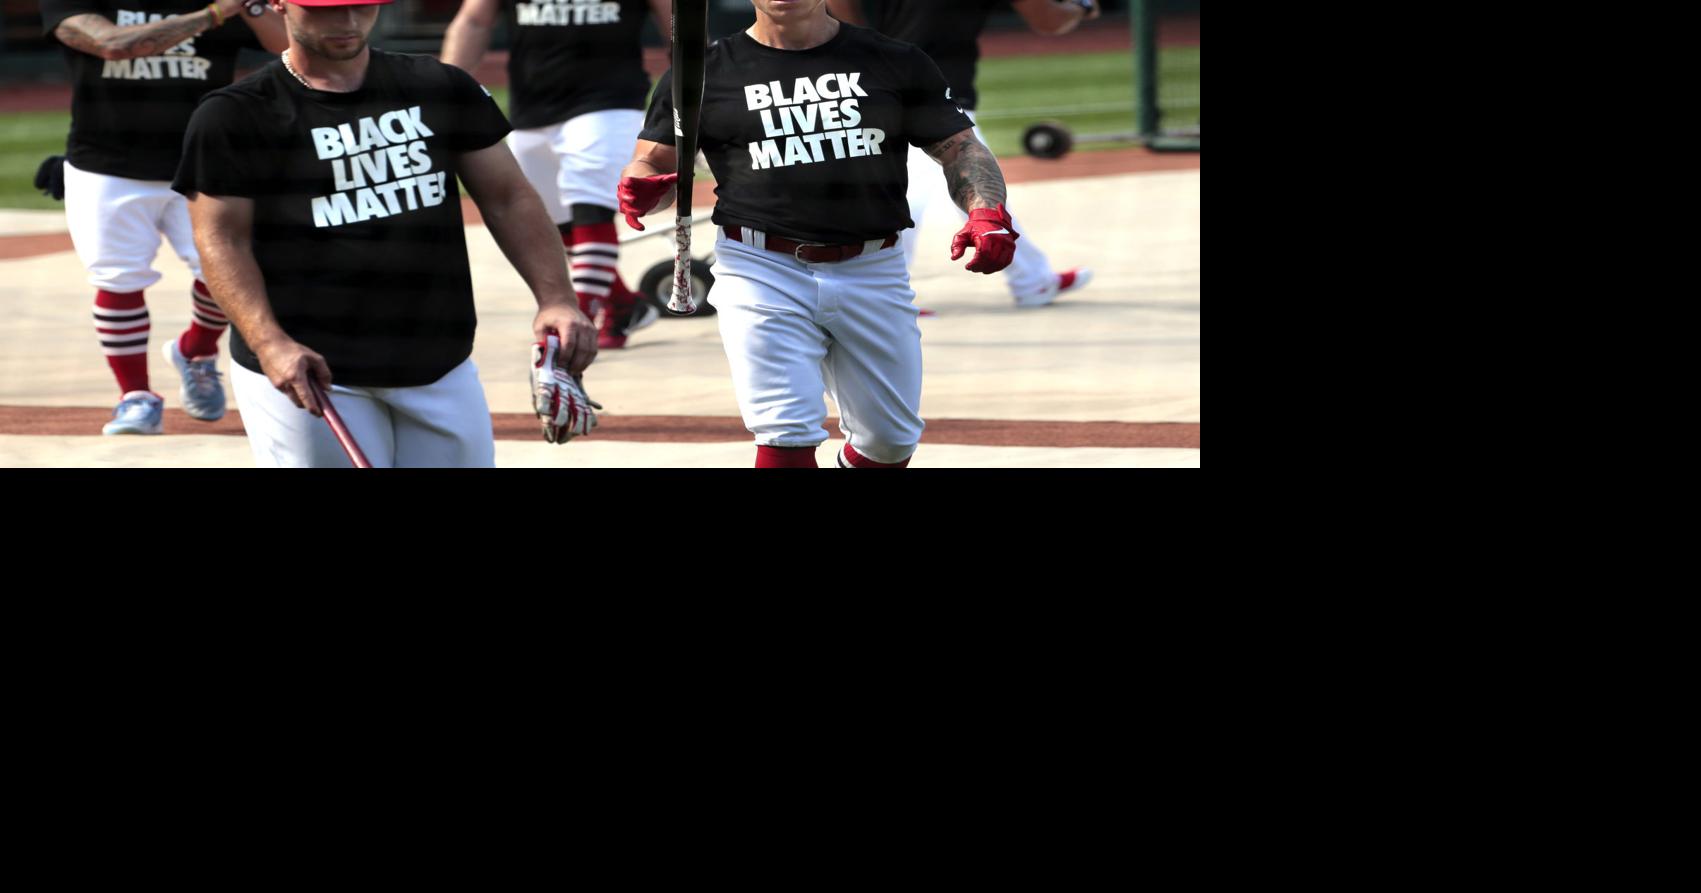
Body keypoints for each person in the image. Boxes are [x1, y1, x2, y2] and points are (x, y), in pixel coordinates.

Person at [172, 0, 598, 467]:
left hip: (439, 360)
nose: (348, 22)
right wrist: (269, 342)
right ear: (279, 5)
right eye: (324, 10)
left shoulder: (439, 87)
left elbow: (509, 197)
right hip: (311, 370)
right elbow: (220, 239)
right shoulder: (234, 114)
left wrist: (557, 297)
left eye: (362, 7)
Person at [618, 0, 1018, 468]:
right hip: (760, 267)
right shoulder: (702, 73)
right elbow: (655, 164)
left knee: (889, 442)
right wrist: (641, 184)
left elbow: (959, 149)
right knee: (784, 431)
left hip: (873, 266)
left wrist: (986, 211)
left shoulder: (892, 58)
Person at [42, 0, 289, 435]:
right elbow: (110, 45)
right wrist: (216, 14)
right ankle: (135, 396)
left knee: (225, 271)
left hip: (200, 157)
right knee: (117, 279)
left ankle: (194, 351)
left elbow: (288, 44)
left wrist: (248, 6)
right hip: (105, 162)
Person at [826, 0, 1097, 307]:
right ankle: (879, 295)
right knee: (923, 190)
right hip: (937, 84)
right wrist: (1084, 7)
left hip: (886, 77)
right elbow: (1048, 20)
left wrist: (866, 40)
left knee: (971, 186)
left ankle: (1033, 279)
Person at [441, 0, 674, 349]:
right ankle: (624, 303)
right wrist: (442, 91)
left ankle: (575, 320)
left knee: (589, 206)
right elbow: (474, 21)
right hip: (531, 106)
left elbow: (677, 22)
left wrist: (698, 90)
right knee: (555, 223)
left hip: (611, 100)